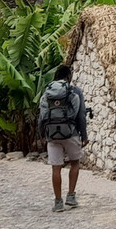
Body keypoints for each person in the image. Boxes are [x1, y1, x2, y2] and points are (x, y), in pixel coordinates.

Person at [39, 63, 88, 212]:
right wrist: (84, 135)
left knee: (56, 168)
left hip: (52, 135)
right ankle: (71, 197)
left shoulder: (47, 92)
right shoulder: (75, 91)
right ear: (69, 76)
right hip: (71, 133)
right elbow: (81, 115)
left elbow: (42, 116)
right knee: (75, 163)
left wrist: (42, 135)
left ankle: (58, 202)